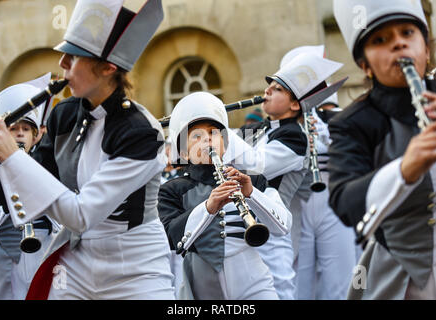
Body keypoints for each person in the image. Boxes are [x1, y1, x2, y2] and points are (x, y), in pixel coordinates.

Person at [0, 0, 175, 300]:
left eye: (73, 57)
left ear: (107, 67)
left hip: (136, 267)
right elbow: (25, 186)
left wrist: (12, 156)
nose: (61, 63)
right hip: (76, 259)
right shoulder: (65, 114)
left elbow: (80, 214)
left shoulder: (141, 132)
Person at [329, 0, 436, 299]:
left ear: (426, 50)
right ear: (365, 65)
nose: (398, 43)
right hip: (401, 274)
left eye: (407, 33)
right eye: (380, 40)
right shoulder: (352, 123)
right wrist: (404, 170)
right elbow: (344, 201)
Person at [158, 91, 292, 299]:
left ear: (225, 143)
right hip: (202, 281)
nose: (207, 141)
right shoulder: (173, 189)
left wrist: (251, 194)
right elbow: (170, 236)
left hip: (253, 278)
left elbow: (283, 226)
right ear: (184, 153)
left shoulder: (251, 180)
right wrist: (209, 207)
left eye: (213, 133)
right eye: (197, 136)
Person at [234, 51, 343, 299]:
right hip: (241, 226)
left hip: (272, 229)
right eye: (268, 87)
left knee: (278, 291)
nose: (267, 91)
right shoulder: (258, 129)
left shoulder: (295, 136)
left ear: (295, 104)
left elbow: (254, 166)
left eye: (277, 89)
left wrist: (218, 133)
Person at [0, 80, 61, 300]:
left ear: (36, 136)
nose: (20, 134)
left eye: (26, 129)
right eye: (13, 129)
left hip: (44, 248)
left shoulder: (48, 167)